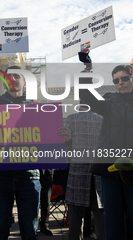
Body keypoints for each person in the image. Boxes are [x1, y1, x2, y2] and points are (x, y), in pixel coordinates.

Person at [0, 44, 70, 240]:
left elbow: (51, 139)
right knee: (0, 230)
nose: (13, 80)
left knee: (29, 230)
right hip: (1, 177)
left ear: (25, 82)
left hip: (29, 178)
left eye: (18, 77)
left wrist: (64, 137)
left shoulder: (38, 109)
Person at [79, 50, 133, 240]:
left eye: (124, 78)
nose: (120, 83)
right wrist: (87, 67)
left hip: (132, 168)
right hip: (109, 168)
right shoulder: (109, 100)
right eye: (116, 80)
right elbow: (86, 94)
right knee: (112, 216)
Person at [64, 105, 105, 240]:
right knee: (100, 213)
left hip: (77, 171)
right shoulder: (102, 119)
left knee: (76, 215)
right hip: (99, 171)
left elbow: (64, 145)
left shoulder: (71, 119)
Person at [39, 169, 54, 236]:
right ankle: (28, 226)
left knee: (46, 201)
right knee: (30, 201)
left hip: (47, 172)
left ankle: (44, 225)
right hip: (33, 171)